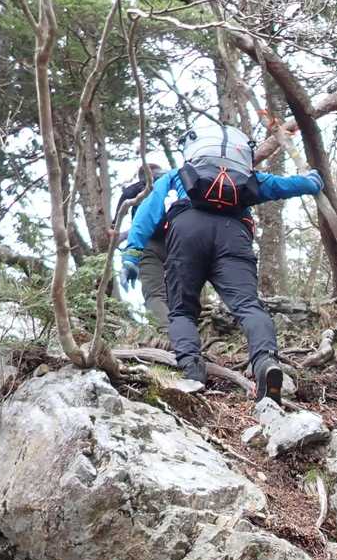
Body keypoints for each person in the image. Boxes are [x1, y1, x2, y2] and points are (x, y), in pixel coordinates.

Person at [119, 125, 323, 401]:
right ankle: (265, 362)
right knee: (248, 305)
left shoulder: (178, 175)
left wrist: (132, 254)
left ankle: (192, 370)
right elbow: (281, 186)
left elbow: (148, 211)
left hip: (187, 232)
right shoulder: (245, 179)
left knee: (182, 310)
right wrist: (310, 182)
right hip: (233, 234)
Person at [116, 163, 168, 326]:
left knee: (155, 294)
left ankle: (167, 332)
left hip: (147, 244)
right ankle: (190, 328)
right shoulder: (172, 182)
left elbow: (118, 223)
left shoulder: (134, 190)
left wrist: (115, 229)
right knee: (182, 291)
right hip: (176, 241)